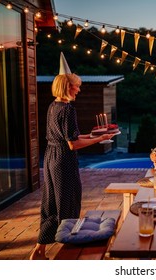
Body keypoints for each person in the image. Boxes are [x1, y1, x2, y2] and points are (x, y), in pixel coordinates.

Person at [30, 53, 115, 260]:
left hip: (51, 157)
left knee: (51, 203)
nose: (78, 89)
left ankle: (39, 250)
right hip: (64, 161)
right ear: (67, 87)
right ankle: (67, 252)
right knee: (67, 204)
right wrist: (99, 140)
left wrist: (96, 134)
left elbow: (67, 137)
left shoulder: (53, 106)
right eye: (76, 86)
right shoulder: (67, 109)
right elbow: (73, 143)